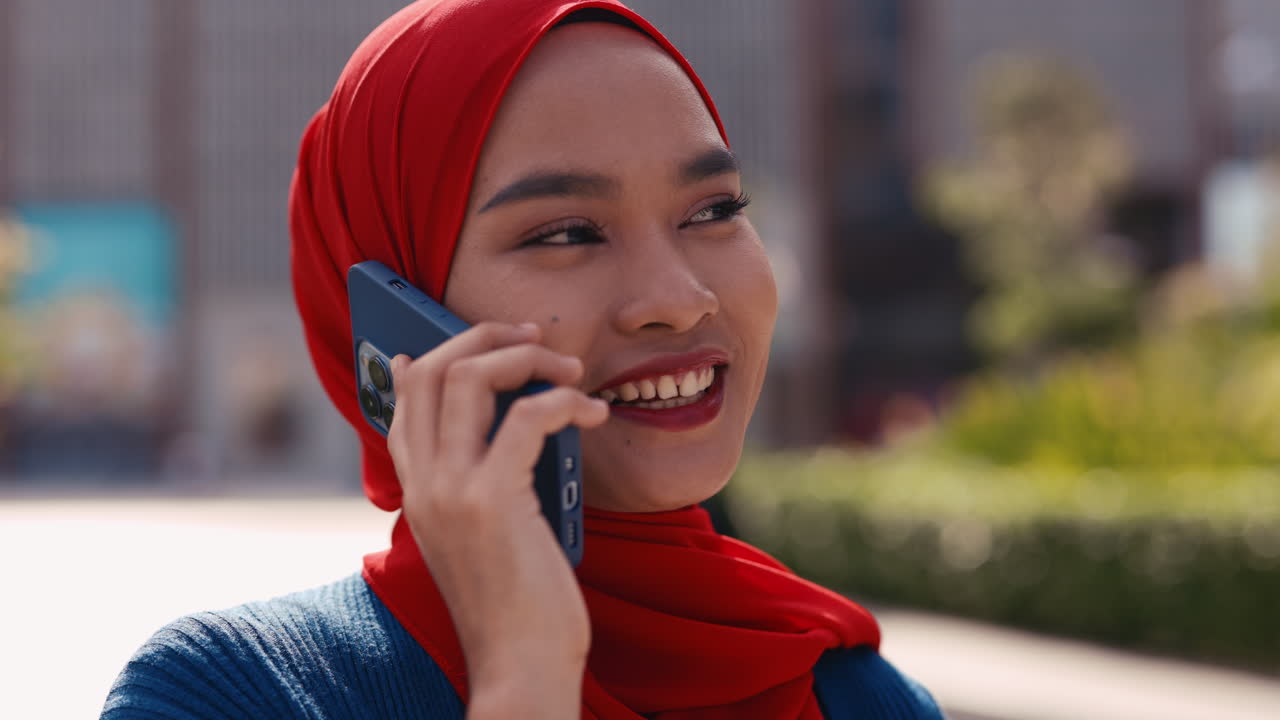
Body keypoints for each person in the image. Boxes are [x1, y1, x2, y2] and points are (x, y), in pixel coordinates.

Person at [102, 1, 944, 718]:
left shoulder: (862, 697)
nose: (680, 299)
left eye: (714, 210)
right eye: (567, 233)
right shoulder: (227, 694)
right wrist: (522, 672)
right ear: (403, 322)